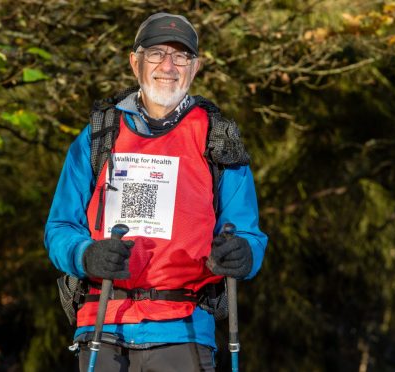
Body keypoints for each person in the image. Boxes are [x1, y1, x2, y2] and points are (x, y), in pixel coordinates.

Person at [44, 12, 268, 372]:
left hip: (184, 329)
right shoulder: (99, 135)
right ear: (136, 62)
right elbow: (59, 228)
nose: (168, 65)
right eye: (156, 53)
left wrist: (243, 253)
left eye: (181, 56)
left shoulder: (218, 138)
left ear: (195, 67)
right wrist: (86, 256)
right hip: (103, 323)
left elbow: (247, 233)